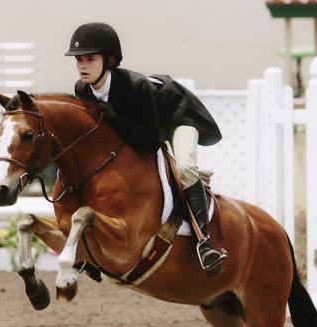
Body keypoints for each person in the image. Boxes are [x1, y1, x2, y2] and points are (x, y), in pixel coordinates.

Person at [65, 22, 227, 277]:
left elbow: (152, 141)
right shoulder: (82, 89)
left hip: (176, 120)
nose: (82, 65)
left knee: (184, 166)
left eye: (90, 59)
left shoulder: (136, 86)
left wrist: (115, 118)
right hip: (145, 129)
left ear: (108, 60)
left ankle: (205, 242)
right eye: (79, 60)